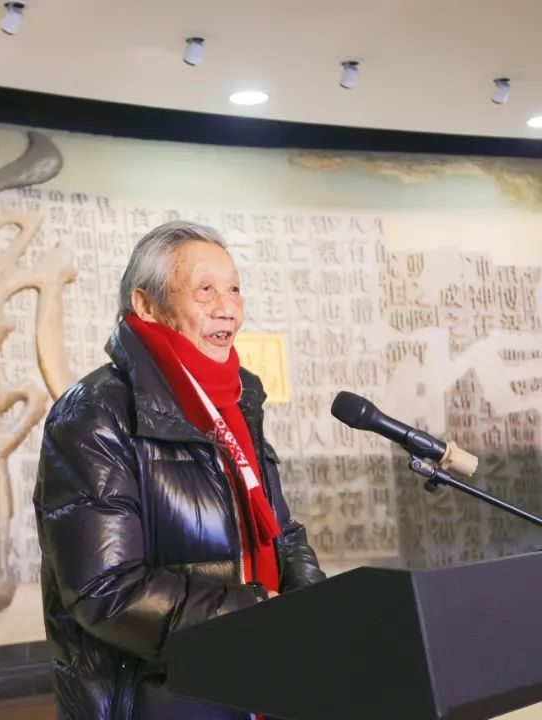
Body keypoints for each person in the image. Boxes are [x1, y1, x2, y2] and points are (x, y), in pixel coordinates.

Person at [33, 220, 325, 719]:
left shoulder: (236, 403)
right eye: (205, 290)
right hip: (158, 700)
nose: (227, 308)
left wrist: (314, 608)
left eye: (234, 289)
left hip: (259, 682)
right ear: (146, 305)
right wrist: (257, 614)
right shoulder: (96, 412)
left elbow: (282, 530)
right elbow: (106, 590)